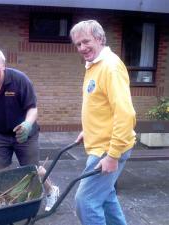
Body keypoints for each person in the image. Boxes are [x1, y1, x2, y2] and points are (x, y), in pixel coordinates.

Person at [0, 44, 59, 211]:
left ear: (3, 65)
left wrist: (27, 125)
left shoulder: (20, 80)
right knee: (2, 171)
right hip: (0, 133)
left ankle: (51, 190)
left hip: (25, 133)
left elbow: (32, 108)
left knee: (32, 169)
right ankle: (12, 202)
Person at [70, 20, 136, 225]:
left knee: (86, 201)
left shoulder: (110, 67)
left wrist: (112, 155)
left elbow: (125, 114)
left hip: (108, 149)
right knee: (106, 198)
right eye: (78, 44)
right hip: (100, 144)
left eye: (86, 41)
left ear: (99, 39)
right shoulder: (94, 66)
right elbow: (100, 106)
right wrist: (87, 131)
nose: (82, 48)